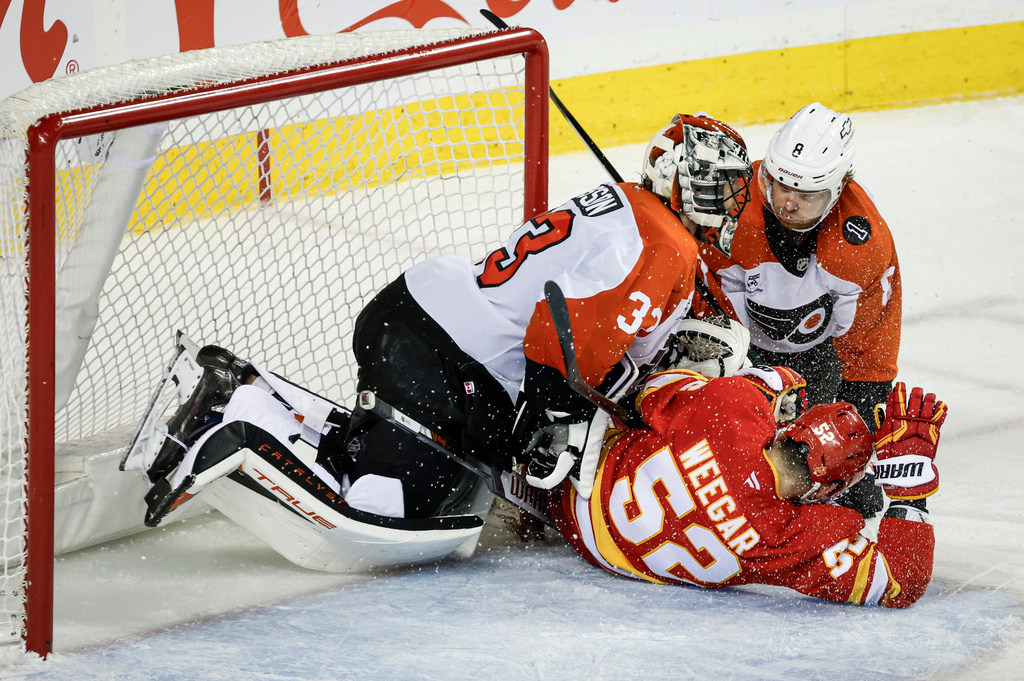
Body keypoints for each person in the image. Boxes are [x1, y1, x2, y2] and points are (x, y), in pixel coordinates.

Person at [125, 113, 753, 571]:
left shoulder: (633, 212)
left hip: (423, 317)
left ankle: (245, 390)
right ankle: (228, 423)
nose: (727, 201)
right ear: (677, 177)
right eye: (715, 185)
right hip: (449, 350)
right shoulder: (667, 244)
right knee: (400, 506)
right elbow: (556, 340)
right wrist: (549, 423)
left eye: (731, 188)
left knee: (423, 484)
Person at [548, 369, 945, 608]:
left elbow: (653, 388)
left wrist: (755, 382)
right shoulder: (790, 538)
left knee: (711, 359)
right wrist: (910, 488)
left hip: (569, 493)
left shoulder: (733, 407)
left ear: (794, 427)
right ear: (829, 489)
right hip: (608, 554)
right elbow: (901, 582)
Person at [696, 102, 901, 426]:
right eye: (781, 186)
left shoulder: (861, 245)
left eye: (806, 195)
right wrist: (744, 375)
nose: (788, 204)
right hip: (737, 347)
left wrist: (857, 439)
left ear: (838, 189)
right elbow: (703, 306)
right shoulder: (729, 210)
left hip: (820, 355)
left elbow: (869, 356)